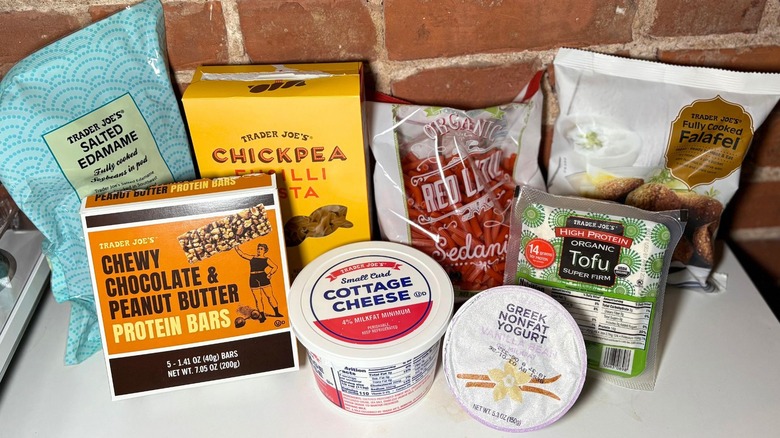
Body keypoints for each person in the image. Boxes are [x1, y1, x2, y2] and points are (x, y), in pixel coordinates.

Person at [235, 243, 283, 323]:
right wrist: (236, 248)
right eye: (258, 248)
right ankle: (262, 316)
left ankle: (277, 313)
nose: (259, 250)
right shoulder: (252, 258)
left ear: (265, 251)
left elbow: (275, 267)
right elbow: (242, 254)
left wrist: (270, 274)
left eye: (261, 249)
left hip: (263, 277)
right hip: (253, 278)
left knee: (270, 296)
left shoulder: (266, 259)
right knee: (258, 299)